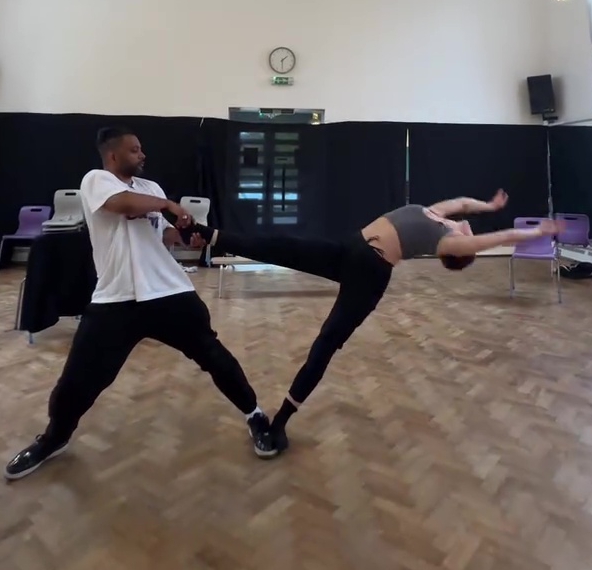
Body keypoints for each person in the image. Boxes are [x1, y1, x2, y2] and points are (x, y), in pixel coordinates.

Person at [185, 190, 565, 454]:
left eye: (471, 231)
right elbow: (463, 202)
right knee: (283, 246)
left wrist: (536, 232)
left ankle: (280, 422)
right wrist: (489, 203)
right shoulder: (436, 214)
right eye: (469, 223)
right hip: (350, 249)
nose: (469, 226)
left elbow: (500, 236)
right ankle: (209, 236)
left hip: (370, 272)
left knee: (325, 344)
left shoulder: (450, 245)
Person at [4, 126, 277, 481]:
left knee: (214, 356)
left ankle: (255, 415)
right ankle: (54, 439)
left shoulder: (151, 189)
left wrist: (183, 236)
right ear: (113, 155)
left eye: (142, 149)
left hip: (169, 292)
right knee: (78, 382)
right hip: (116, 299)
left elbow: (158, 234)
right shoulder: (97, 180)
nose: (142, 154)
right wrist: (167, 205)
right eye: (134, 150)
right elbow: (123, 206)